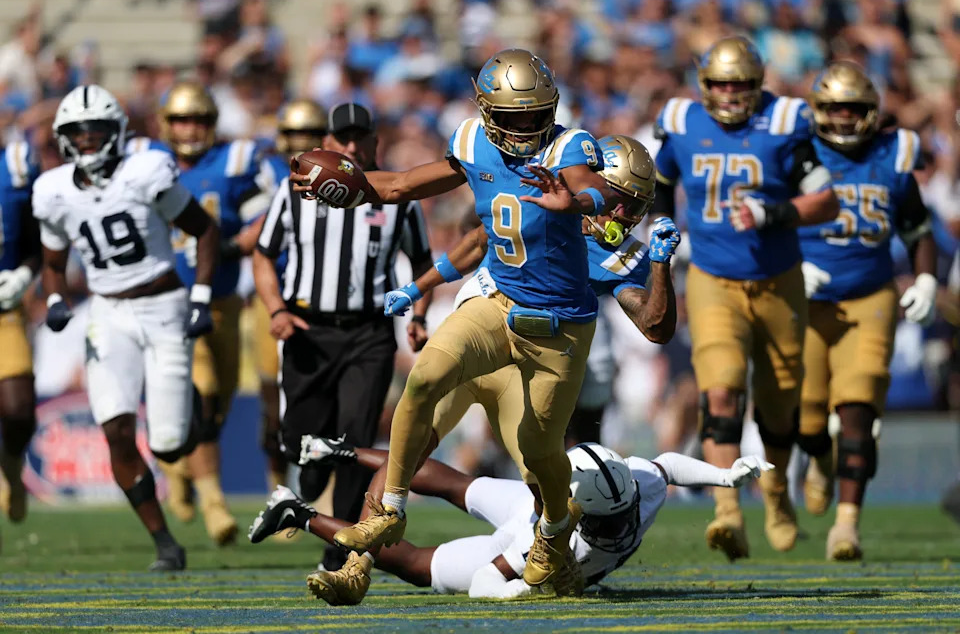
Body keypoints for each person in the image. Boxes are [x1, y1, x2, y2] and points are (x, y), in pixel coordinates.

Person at [290, 48, 622, 595]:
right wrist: (350, 188)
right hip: (498, 304)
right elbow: (400, 186)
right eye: (513, 116)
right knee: (422, 381)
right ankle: (389, 509)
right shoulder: (471, 142)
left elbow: (599, 186)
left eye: (535, 113)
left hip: (560, 327)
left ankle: (557, 530)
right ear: (488, 110)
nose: (526, 127)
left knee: (541, 452)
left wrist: (578, 200)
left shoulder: (568, 146)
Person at [301, 135, 680, 605]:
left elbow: (652, 323)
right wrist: (418, 293)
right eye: (621, 200)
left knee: (543, 476)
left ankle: (554, 556)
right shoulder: (538, 197)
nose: (624, 216)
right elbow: (474, 240)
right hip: (479, 332)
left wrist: (661, 265)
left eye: (635, 206)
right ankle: (355, 565)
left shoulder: (617, 253)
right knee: (411, 434)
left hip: (523, 367)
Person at [652, 36, 840, 561]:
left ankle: (777, 495)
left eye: (740, 84)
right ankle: (727, 512)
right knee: (720, 393)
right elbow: (662, 179)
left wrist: (772, 214)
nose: (731, 95)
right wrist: (662, 219)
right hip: (714, 279)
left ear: (758, 84)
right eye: (721, 84)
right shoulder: (683, 122)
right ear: (703, 85)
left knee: (780, 409)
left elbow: (827, 201)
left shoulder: (785, 122)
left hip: (779, 280)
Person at [32, 84, 220, 570]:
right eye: (77, 131)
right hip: (107, 313)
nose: (88, 138)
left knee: (168, 444)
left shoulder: (146, 173)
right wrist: (54, 297)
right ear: (63, 137)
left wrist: (199, 295)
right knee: (114, 428)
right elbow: (53, 261)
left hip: (162, 306)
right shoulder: (52, 191)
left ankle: (193, 410)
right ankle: (164, 542)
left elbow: (205, 229)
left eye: (96, 129)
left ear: (115, 131)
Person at [254, 102, 433, 572]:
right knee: (300, 443)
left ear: (375, 142)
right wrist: (275, 309)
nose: (352, 147)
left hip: (369, 332)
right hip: (307, 328)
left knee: (355, 441)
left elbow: (422, 263)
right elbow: (262, 255)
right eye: (343, 139)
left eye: (360, 138)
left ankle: (340, 549)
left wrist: (420, 312)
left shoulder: (397, 198)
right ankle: (309, 474)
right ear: (327, 145)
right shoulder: (293, 190)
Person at [249, 441, 773, 601]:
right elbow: (485, 581)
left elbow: (667, 465)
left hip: (539, 511)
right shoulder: (554, 534)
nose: (620, 525)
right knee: (415, 561)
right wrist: (518, 592)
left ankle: (310, 490)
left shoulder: (637, 483)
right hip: (532, 524)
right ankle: (309, 498)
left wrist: (726, 477)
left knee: (452, 489)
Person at [793, 62, 938, 561]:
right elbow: (761, 219)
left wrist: (925, 277)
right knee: (805, 419)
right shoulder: (794, 152)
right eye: (834, 109)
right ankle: (818, 459)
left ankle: (847, 524)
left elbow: (917, 228)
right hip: (804, 299)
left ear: (872, 112)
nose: (844, 119)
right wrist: (790, 266)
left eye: (854, 109)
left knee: (858, 410)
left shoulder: (892, 154)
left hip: (870, 296)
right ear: (817, 111)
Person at [128, 81, 265, 545]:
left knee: (218, 405)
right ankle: (214, 503)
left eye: (200, 120)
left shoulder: (236, 161)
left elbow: (273, 208)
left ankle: (175, 468)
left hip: (223, 302)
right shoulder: (146, 161)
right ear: (167, 124)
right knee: (201, 396)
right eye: (182, 120)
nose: (190, 129)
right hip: (171, 302)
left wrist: (237, 243)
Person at [253, 98, 327, 494]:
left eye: (310, 135)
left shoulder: (334, 173)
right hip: (270, 300)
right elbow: (249, 237)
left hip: (318, 302)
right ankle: (278, 487)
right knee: (274, 406)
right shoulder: (262, 176)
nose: (301, 143)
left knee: (322, 403)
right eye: (295, 134)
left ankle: (322, 493)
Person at [0, 137, 40, 536]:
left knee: (18, 410)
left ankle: (11, 463)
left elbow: (37, 241)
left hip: (3, 311)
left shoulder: (12, 169)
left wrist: (26, 274)